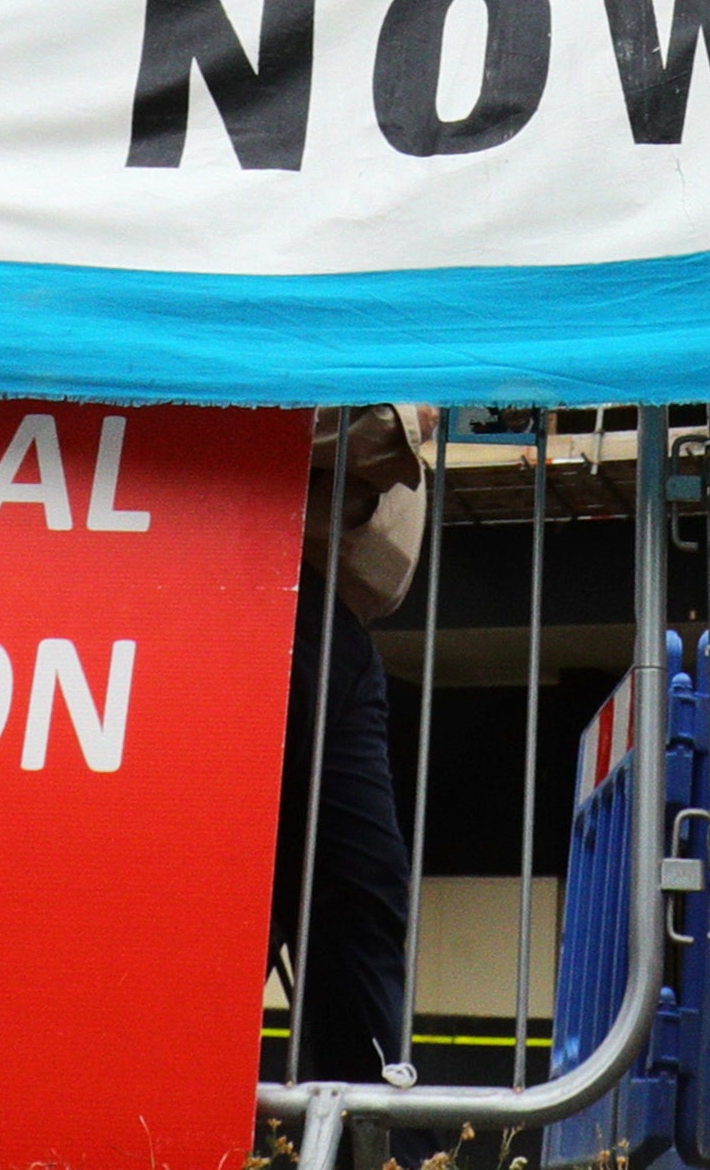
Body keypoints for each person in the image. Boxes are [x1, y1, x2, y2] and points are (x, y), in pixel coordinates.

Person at [275, 404, 432, 1100]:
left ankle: (366, 1131)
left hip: (336, 617)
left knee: (361, 894)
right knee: (256, 877)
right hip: (262, 585)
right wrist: (397, 421)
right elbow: (238, 402)